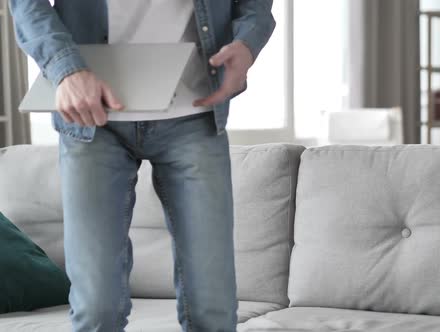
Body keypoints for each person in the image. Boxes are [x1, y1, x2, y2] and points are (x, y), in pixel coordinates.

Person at [9, 1, 275, 331]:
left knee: (213, 311)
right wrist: (64, 67)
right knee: (97, 311)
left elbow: (256, 6)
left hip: (194, 109)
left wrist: (248, 40)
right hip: (91, 115)